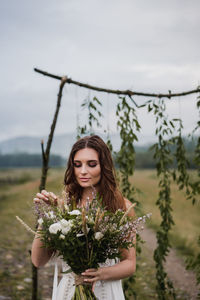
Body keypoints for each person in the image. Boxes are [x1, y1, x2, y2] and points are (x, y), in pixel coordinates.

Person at [31, 135, 136, 300]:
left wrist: (101, 273)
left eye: (92, 164)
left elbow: (129, 264)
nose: (83, 171)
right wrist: (47, 215)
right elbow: (38, 261)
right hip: (68, 291)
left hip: (105, 291)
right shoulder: (63, 205)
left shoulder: (121, 207)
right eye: (77, 165)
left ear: (104, 166)